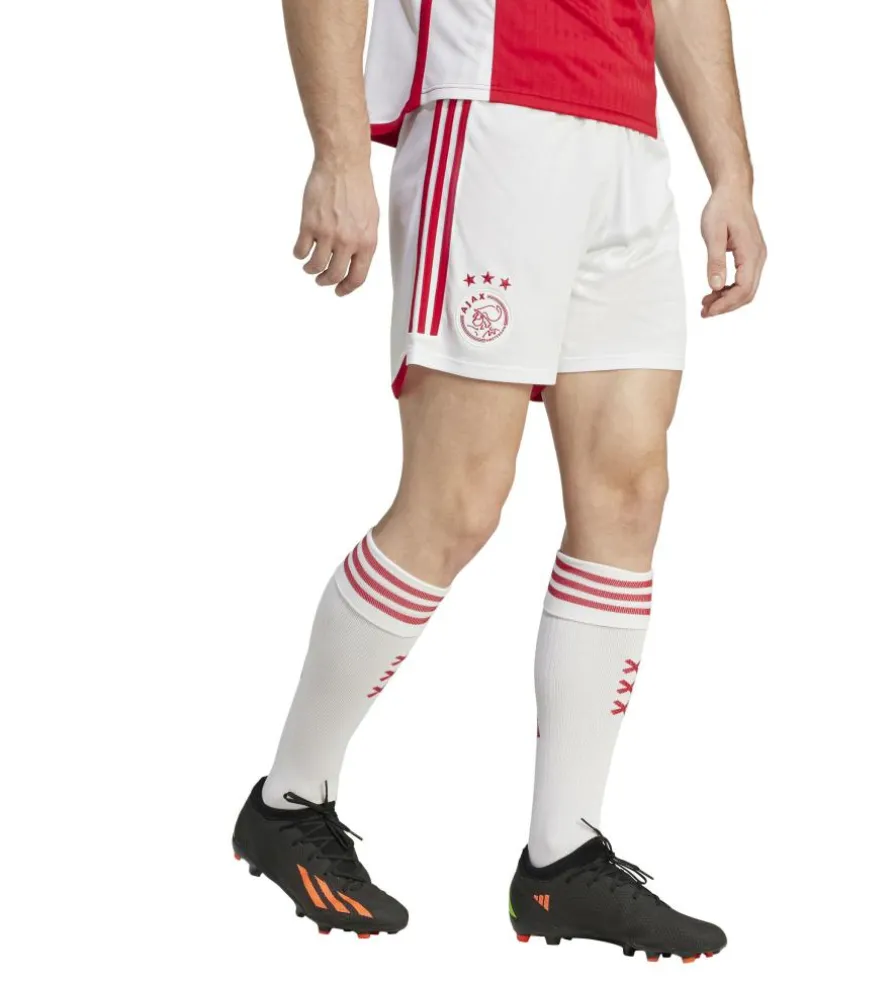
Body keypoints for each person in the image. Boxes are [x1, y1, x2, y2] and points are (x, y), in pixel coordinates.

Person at [233, 0, 766, 962]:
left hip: (626, 140)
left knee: (628, 494)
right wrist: (339, 151)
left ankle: (563, 859)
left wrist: (732, 170)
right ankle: (289, 800)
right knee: (457, 501)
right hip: (488, 113)